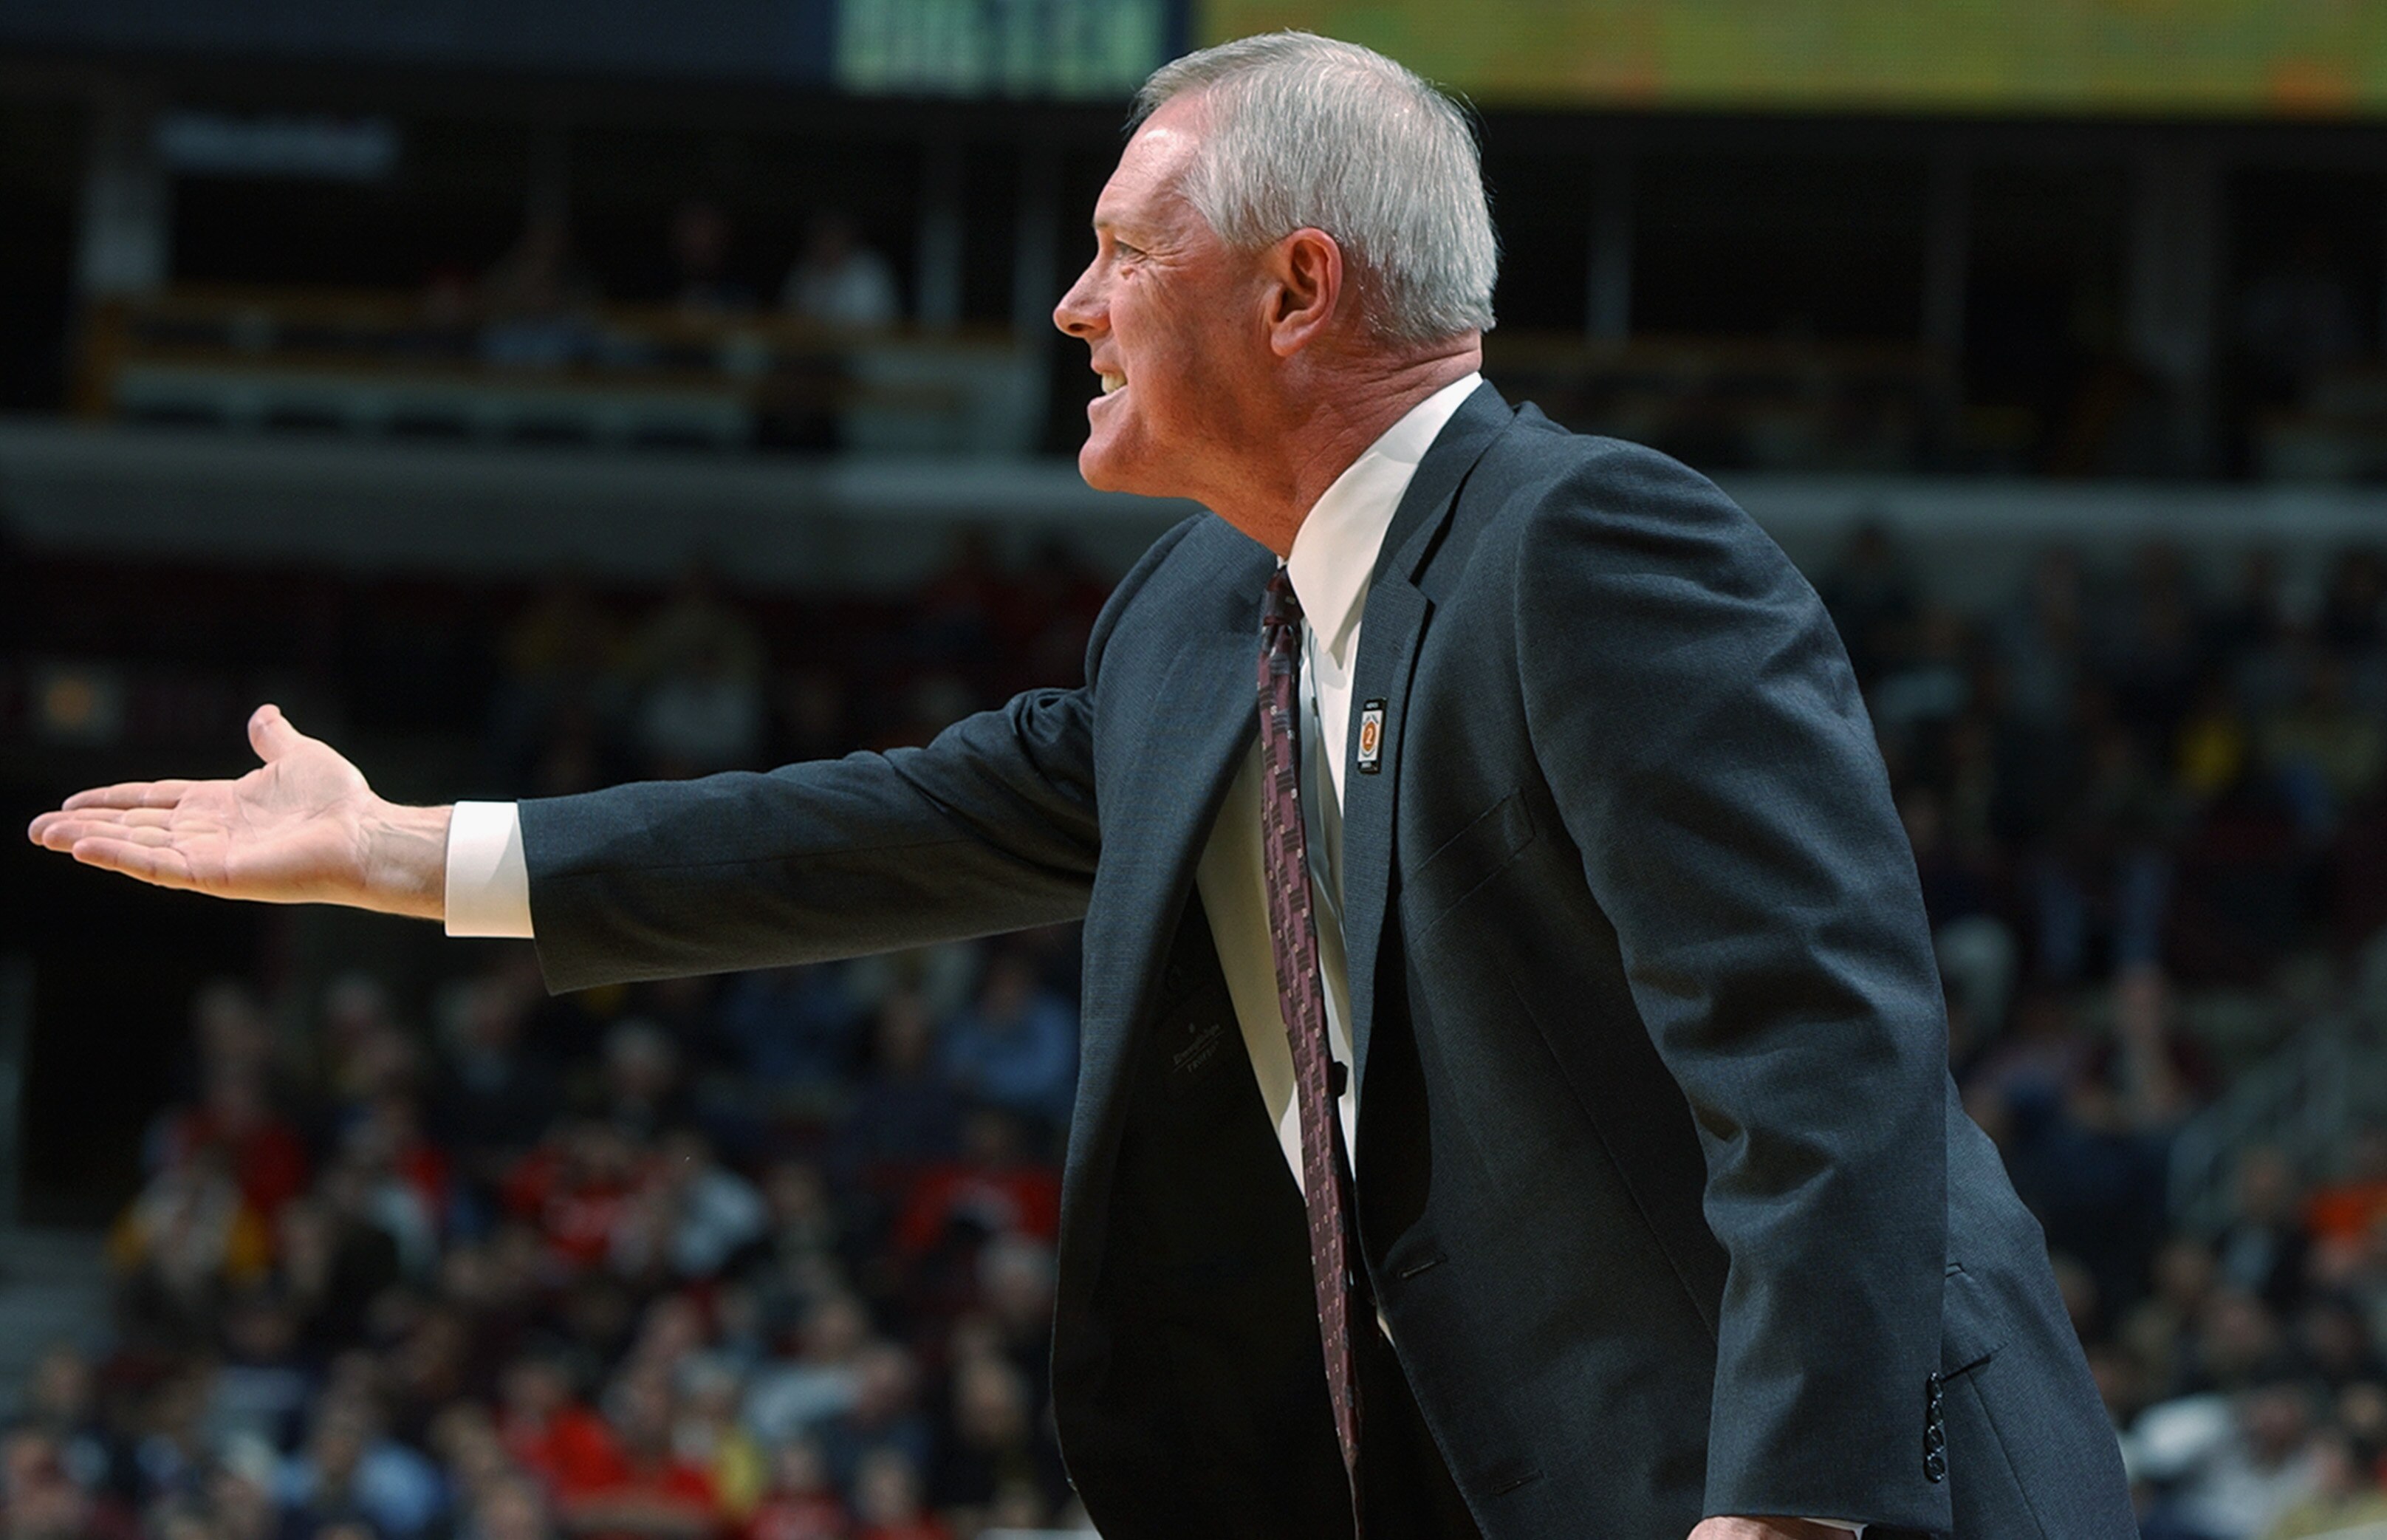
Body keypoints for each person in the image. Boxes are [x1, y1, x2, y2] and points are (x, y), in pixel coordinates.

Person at [29, 32, 2132, 1540]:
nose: (1071, 306)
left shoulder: (1584, 548)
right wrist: (415, 857)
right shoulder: (1188, 621)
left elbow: (1827, 1057)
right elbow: (890, 823)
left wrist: (1789, 1518)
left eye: (1126, 251)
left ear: (1300, 287)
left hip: (1855, 1499)